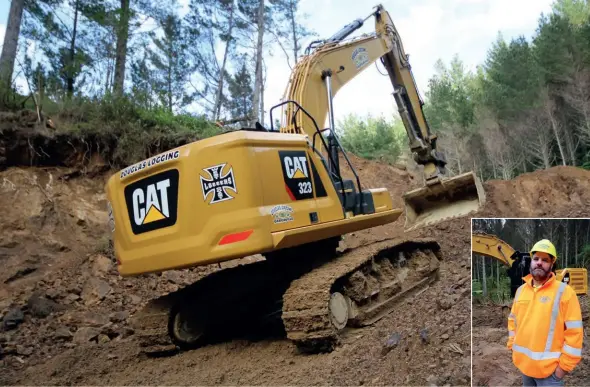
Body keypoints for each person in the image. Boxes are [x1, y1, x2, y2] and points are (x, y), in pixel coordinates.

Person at [507, 239, 583, 386]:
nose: (539, 263)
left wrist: (561, 370)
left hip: (550, 374)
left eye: (545, 260)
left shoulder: (565, 293)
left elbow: (574, 334)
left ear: (552, 264)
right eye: (536, 259)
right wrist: (513, 346)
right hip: (525, 368)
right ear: (531, 262)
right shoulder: (521, 291)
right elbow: (513, 321)